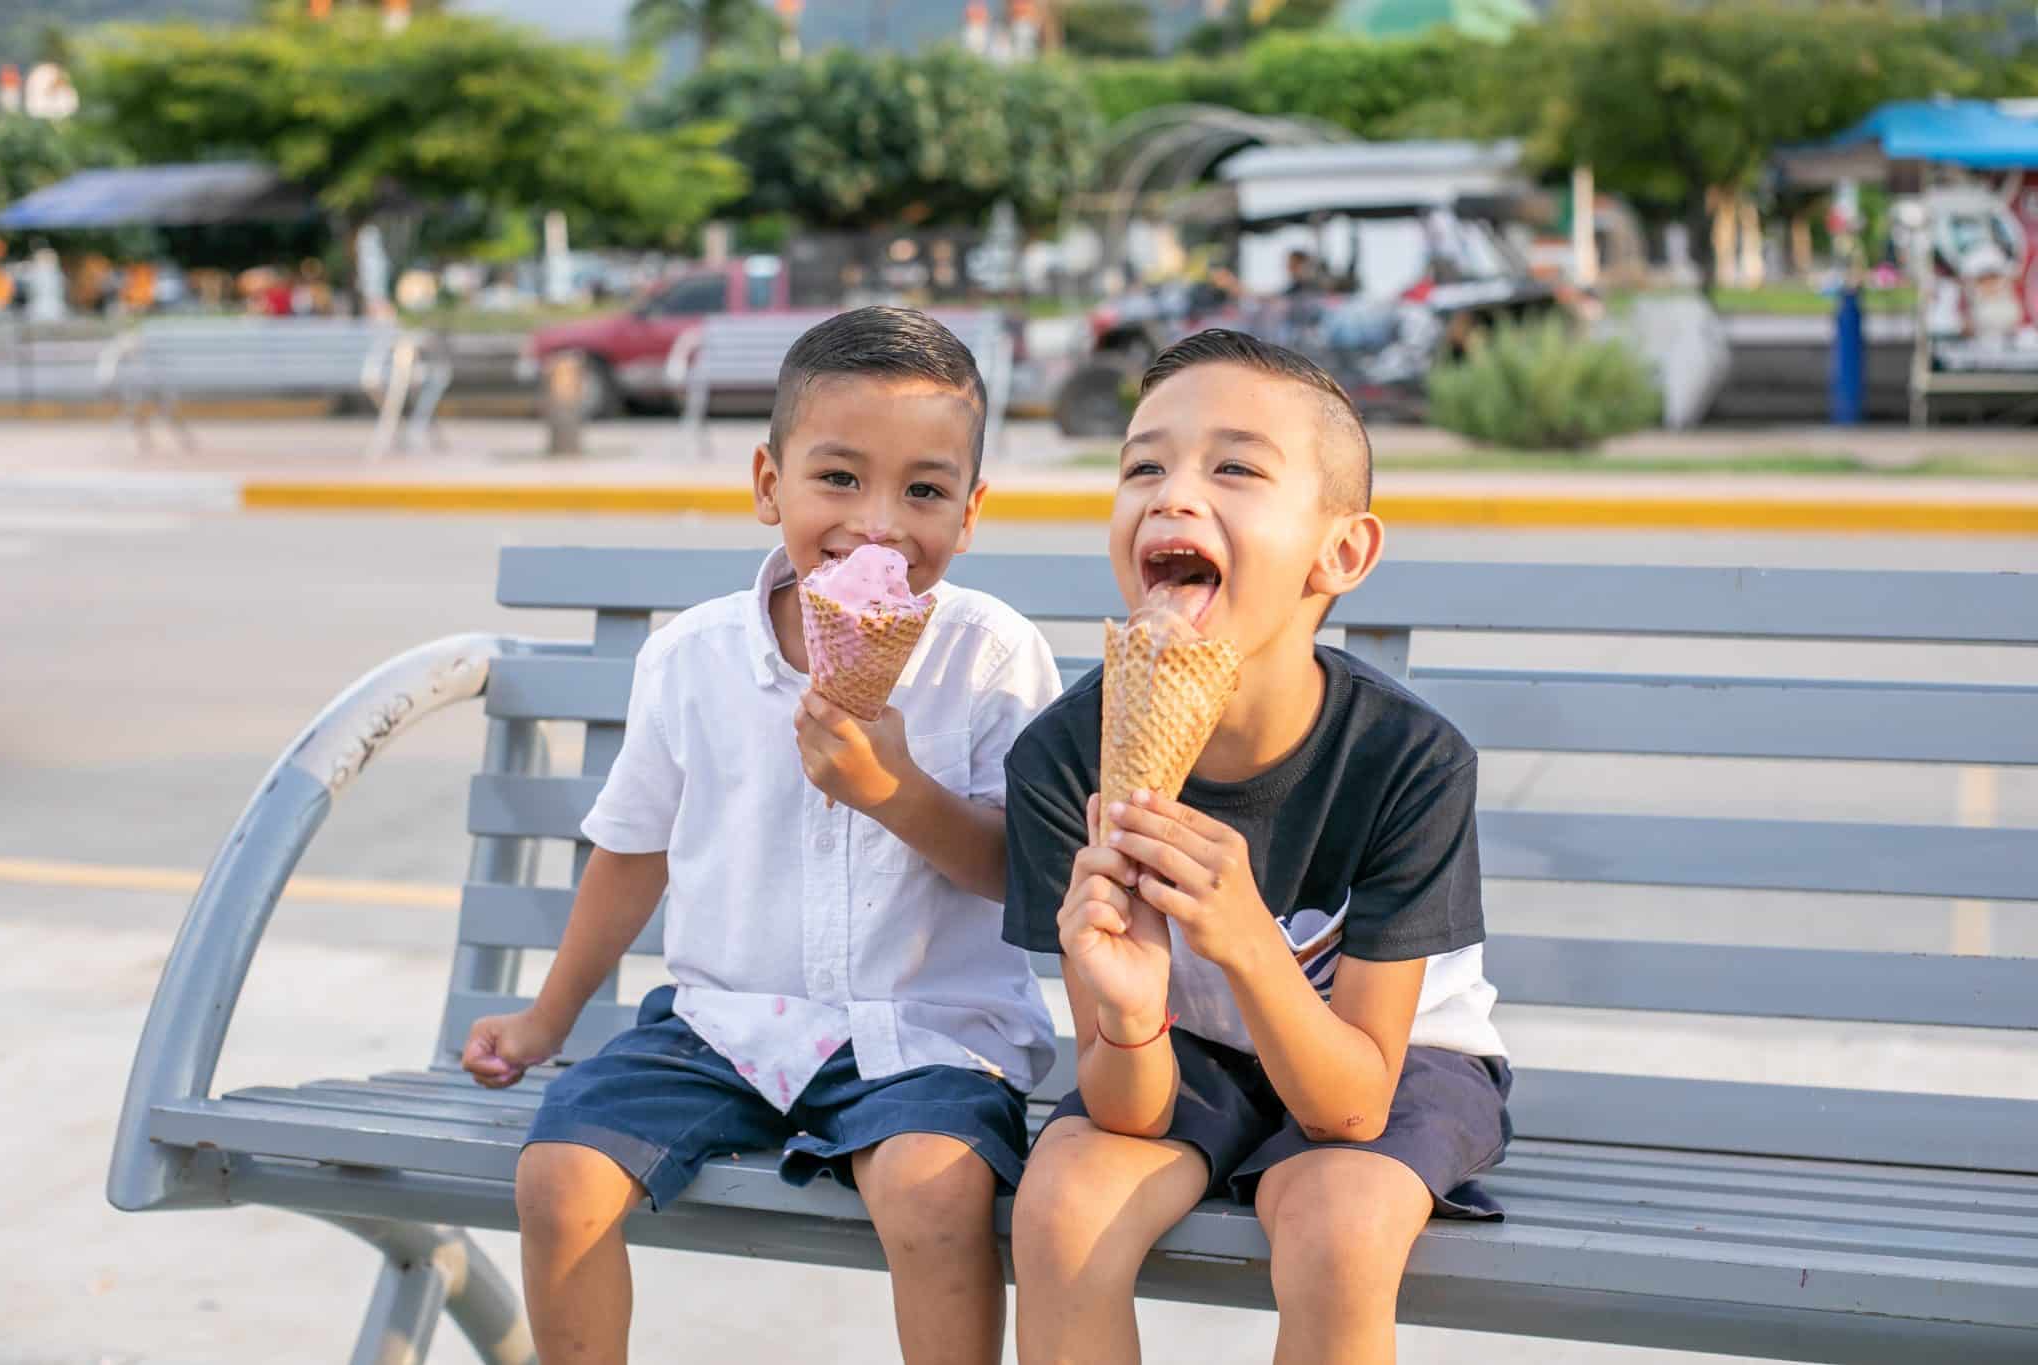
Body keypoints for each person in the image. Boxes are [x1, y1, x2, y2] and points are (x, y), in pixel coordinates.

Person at [461, 307, 1062, 1365]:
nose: (876, 525)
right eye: (837, 478)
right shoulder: (692, 657)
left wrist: (894, 792)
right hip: (720, 1027)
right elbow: (633, 849)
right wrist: (547, 1018)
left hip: (923, 1033)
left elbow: (1019, 874)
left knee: (931, 1195)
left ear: (968, 517)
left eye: (922, 490)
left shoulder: (990, 655)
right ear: (765, 483)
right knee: (557, 1180)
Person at [1002, 329, 1510, 1365]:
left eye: (1232, 467)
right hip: (1186, 1055)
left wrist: (1242, 938)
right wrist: (1134, 1015)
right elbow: (1124, 1109)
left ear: (1342, 553)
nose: (1171, 494)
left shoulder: (1407, 761)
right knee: (1059, 1211)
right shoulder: (1066, 760)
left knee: (1337, 1225)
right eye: (1142, 464)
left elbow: (1349, 1103)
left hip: (1391, 1062)